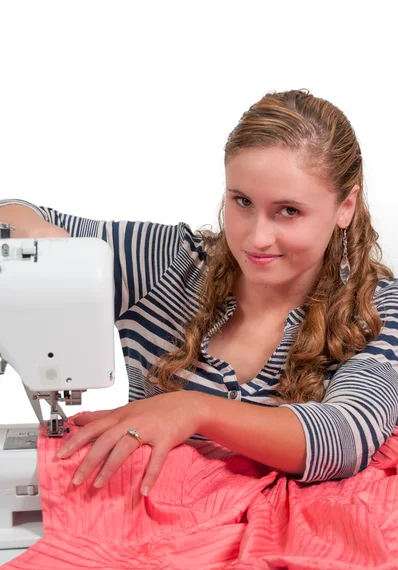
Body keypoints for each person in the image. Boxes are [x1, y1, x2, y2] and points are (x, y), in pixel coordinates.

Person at [1, 88, 397, 499]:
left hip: (269, 560)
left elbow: (347, 434)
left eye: (289, 211)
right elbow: (16, 212)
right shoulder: (170, 264)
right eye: (242, 202)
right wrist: (43, 242)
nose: (257, 237)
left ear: (344, 207)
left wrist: (193, 409)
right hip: (141, 543)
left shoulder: (377, 310)